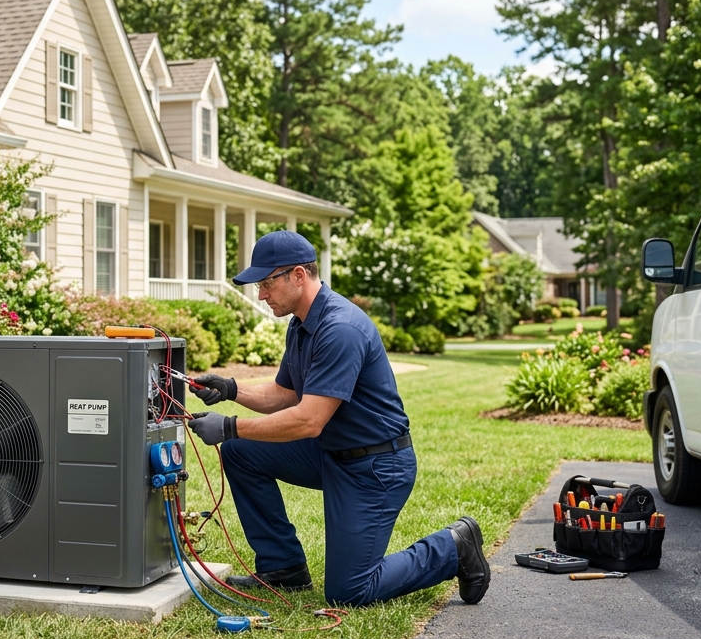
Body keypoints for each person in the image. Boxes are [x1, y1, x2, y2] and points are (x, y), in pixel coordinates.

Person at [188, 230, 490, 607]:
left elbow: (307, 420)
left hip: (375, 466)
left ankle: (453, 547)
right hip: (331, 453)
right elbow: (286, 394)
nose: (262, 294)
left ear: (299, 275)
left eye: (267, 283)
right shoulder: (301, 324)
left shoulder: (340, 328)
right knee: (241, 451)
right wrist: (232, 389)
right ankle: (284, 568)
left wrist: (228, 425)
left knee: (350, 591)